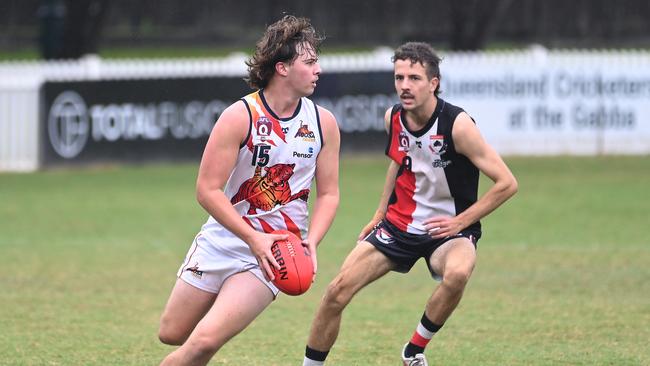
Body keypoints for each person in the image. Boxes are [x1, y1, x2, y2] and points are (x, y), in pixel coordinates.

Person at [303, 42, 518, 366]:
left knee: (458, 273)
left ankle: (414, 350)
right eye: (399, 77)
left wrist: (461, 223)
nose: (405, 85)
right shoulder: (394, 118)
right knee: (336, 293)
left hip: (448, 230)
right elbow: (399, 162)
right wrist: (379, 214)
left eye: (414, 78)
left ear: (434, 83)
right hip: (399, 224)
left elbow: (507, 183)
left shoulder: (457, 125)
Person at [157, 15, 340, 366]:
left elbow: (329, 194)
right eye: (311, 62)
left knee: (203, 343)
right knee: (172, 333)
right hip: (223, 239)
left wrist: (310, 241)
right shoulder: (240, 116)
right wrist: (250, 238)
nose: (319, 70)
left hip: (274, 252)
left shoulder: (323, 123)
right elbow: (207, 190)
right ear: (282, 68)